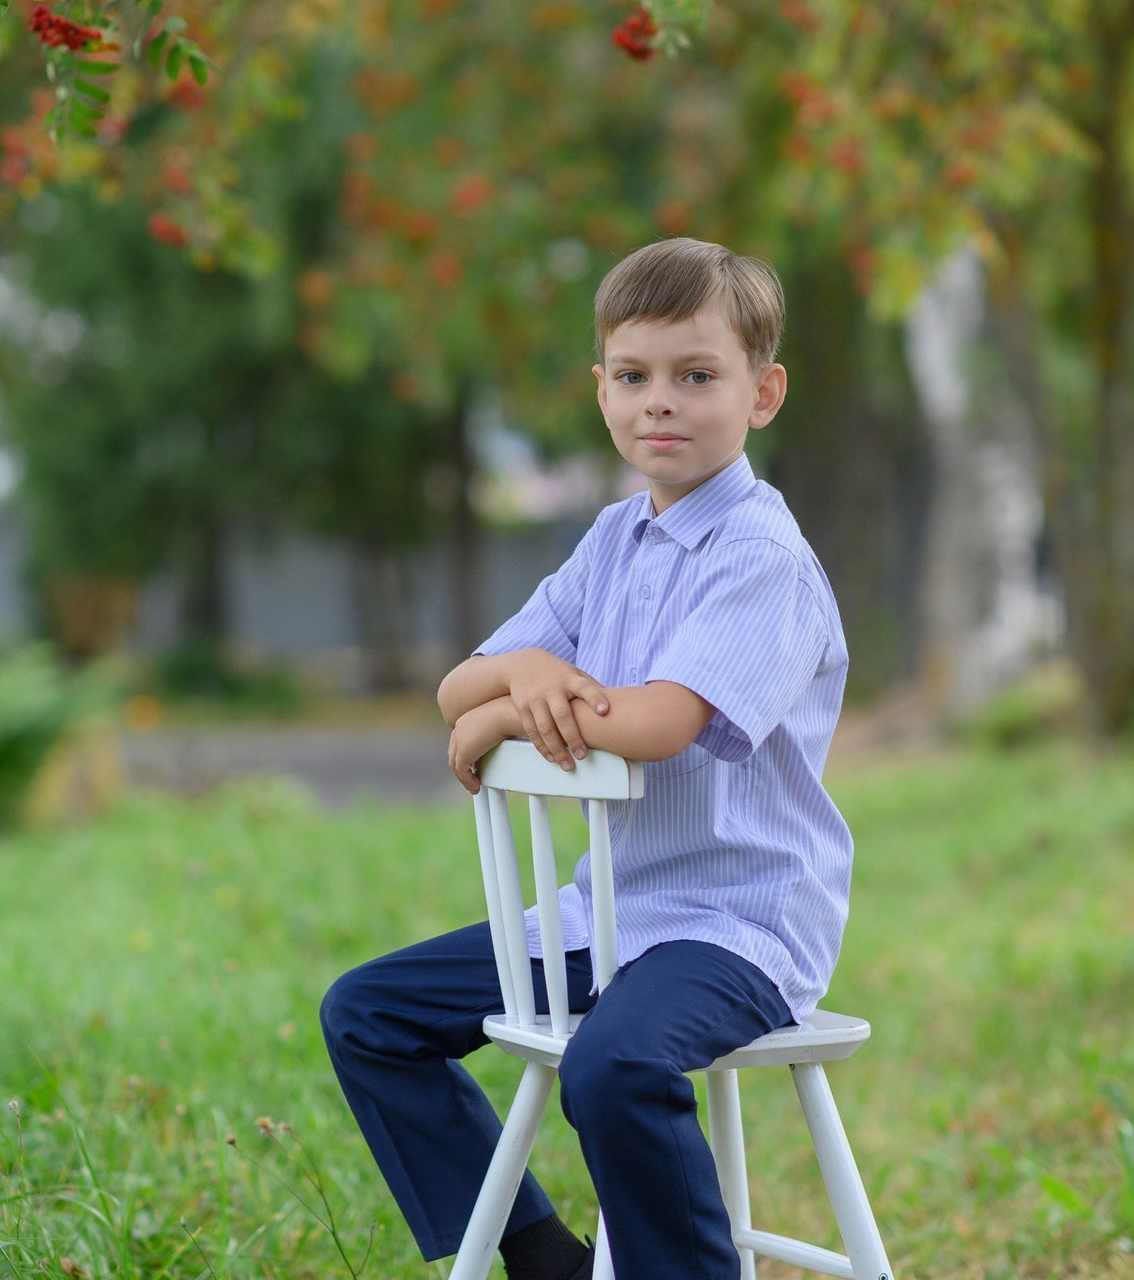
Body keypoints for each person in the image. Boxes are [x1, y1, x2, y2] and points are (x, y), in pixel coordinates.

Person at [321, 237, 853, 1280]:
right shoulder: (613, 539)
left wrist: (511, 707)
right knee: (369, 1011)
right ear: (599, 388)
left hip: (737, 926)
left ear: (762, 392)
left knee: (613, 1064)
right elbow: (456, 687)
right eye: (632, 375)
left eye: (695, 376)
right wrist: (522, 682)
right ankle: (543, 1258)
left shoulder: (762, 559)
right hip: (607, 912)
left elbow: (657, 723)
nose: (660, 402)